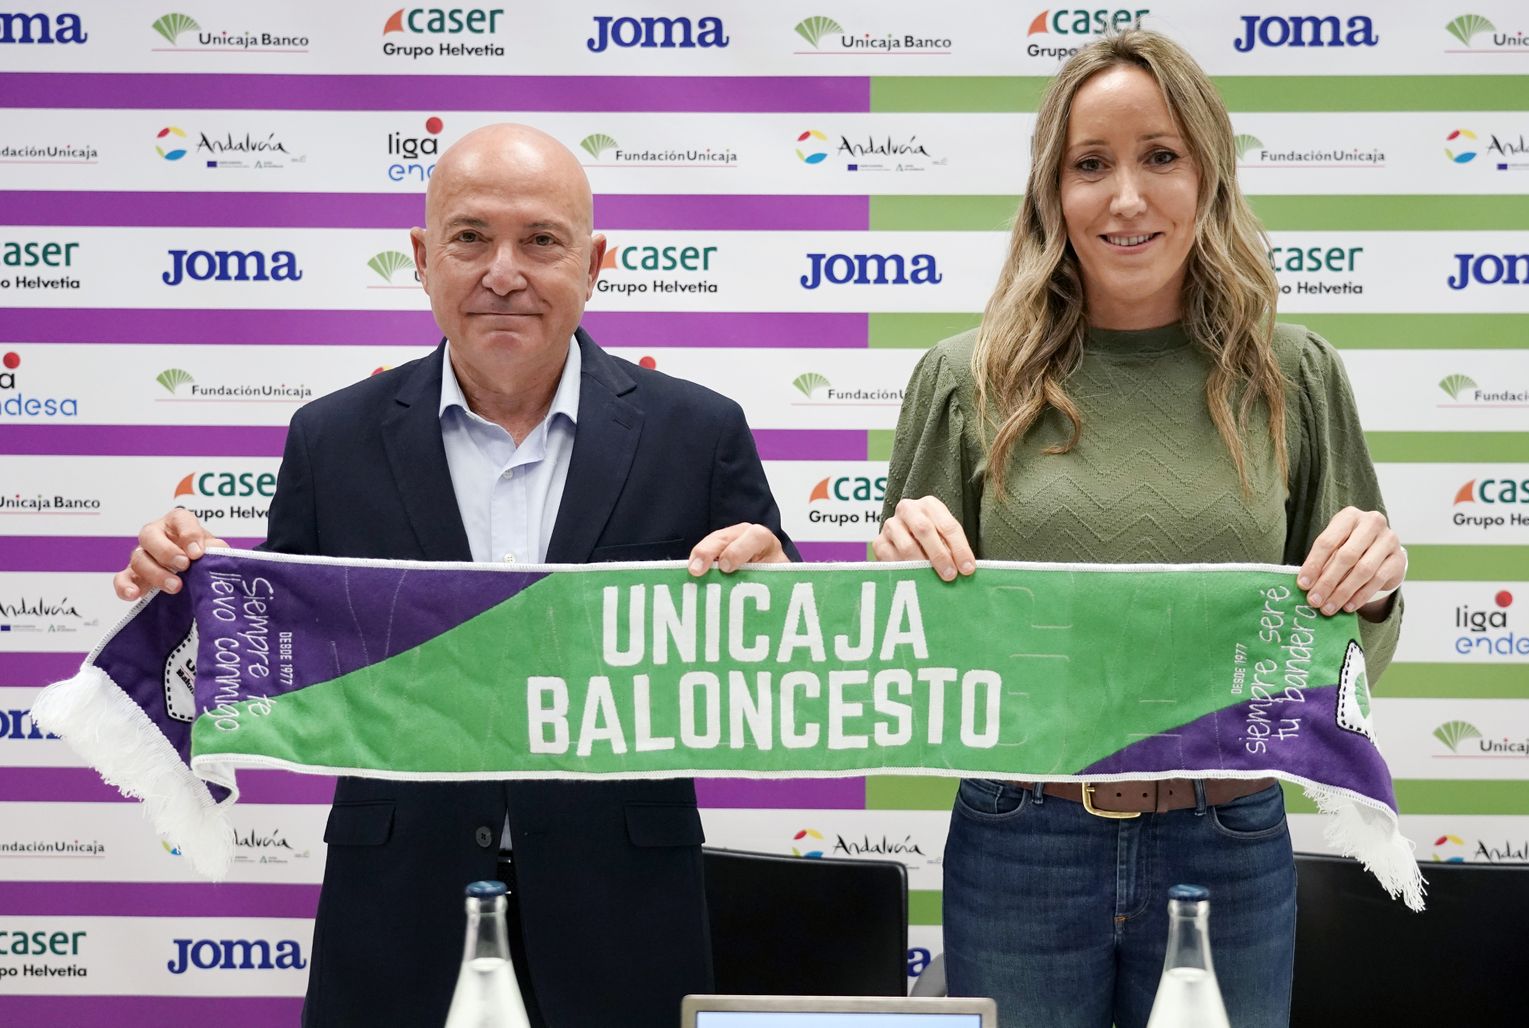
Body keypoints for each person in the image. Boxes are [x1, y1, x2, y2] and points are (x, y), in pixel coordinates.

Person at [113, 124, 796, 1027]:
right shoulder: (331, 440)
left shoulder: (698, 433)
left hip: (625, 905)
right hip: (394, 901)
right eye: (471, 238)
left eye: (542, 241)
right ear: (421, 257)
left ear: (595, 262)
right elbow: (285, 652)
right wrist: (189, 579)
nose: (503, 271)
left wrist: (780, 584)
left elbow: (781, 647)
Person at [872, 30, 1404, 1028]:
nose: (1124, 196)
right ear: (1050, 193)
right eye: (1089, 164)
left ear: (1207, 174)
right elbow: (910, 650)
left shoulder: (1295, 377)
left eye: (1158, 156)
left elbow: (1352, 655)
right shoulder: (963, 379)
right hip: (1019, 831)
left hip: (1228, 831)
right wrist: (896, 577)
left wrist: (1369, 589)